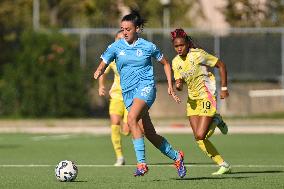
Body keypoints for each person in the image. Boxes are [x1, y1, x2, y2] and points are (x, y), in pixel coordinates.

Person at [94, 11, 186, 178]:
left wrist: (170, 86)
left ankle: (141, 164)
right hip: (128, 93)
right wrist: (99, 70)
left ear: (137, 29)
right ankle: (177, 156)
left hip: (146, 88)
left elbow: (165, 63)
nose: (125, 32)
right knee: (149, 134)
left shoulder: (147, 46)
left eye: (128, 29)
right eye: (122, 29)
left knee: (131, 119)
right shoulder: (116, 47)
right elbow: (104, 62)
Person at [170, 28, 231, 175]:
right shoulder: (175, 62)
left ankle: (216, 119)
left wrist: (224, 88)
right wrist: (178, 85)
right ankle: (223, 164)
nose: (179, 48)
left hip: (206, 95)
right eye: (176, 46)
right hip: (192, 100)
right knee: (199, 139)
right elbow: (179, 81)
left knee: (200, 135)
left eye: (181, 45)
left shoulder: (198, 55)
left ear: (187, 44)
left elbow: (221, 65)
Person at [98, 30, 130, 166]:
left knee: (128, 131)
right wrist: (101, 86)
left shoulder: (132, 54)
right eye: (118, 39)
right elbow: (102, 71)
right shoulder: (111, 55)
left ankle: (126, 124)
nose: (120, 41)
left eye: (123, 39)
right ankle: (119, 157)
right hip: (116, 94)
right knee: (114, 123)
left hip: (131, 96)